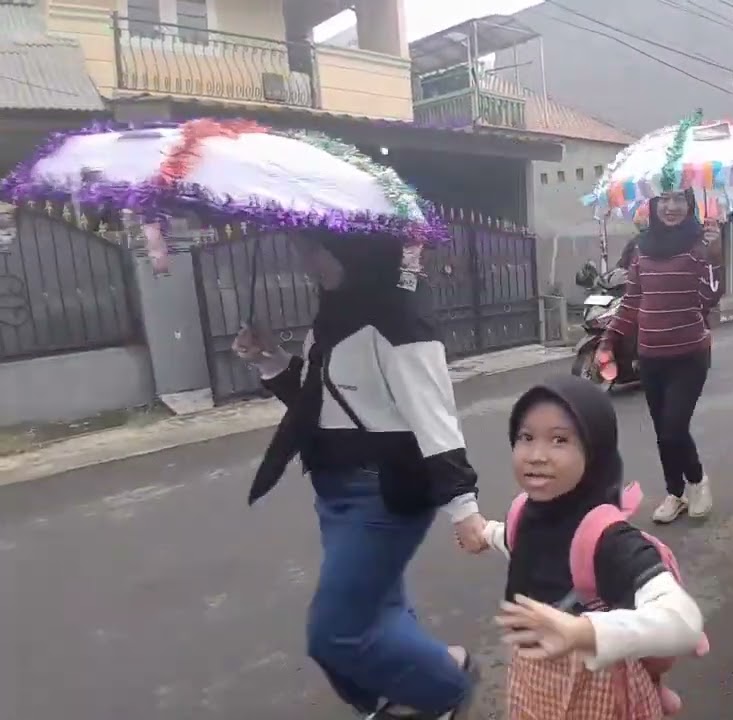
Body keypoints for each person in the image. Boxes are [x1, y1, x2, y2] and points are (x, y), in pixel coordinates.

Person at [232, 232, 482, 720]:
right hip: (335, 491)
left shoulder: (399, 322)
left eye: (314, 247)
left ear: (353, 249)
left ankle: (445, 690)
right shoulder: (335, 316)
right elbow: (318, 402)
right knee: (377, 612)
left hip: (382, 495)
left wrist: (463, 508)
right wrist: (268, 357)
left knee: (335, 633)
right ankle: (400, 692)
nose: (302, 256)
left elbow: (435, 418)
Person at [466, 376, 706, 719]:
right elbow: (518, 542)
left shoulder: (608, 540)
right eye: (526, 437)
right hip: (533, 680)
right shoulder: (527, 514)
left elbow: (683, 623)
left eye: (559, 440)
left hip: (598, 692)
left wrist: (585, 632)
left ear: (594, 451)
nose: (536, 456)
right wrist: (484, 532)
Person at [603, 188, 723, 524]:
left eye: (679, 200)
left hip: (690, 355)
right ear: (653, 205)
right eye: (664, 200)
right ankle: (676, 493)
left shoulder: (700, 245)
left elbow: (710, 298)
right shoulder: (641, 248)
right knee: (661, 431)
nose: (671, 207)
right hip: (651, 355)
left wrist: (715, 255)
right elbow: (632, 301)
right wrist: (610, 338)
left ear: (690, 205)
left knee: (674, 428)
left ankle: (697, 481)